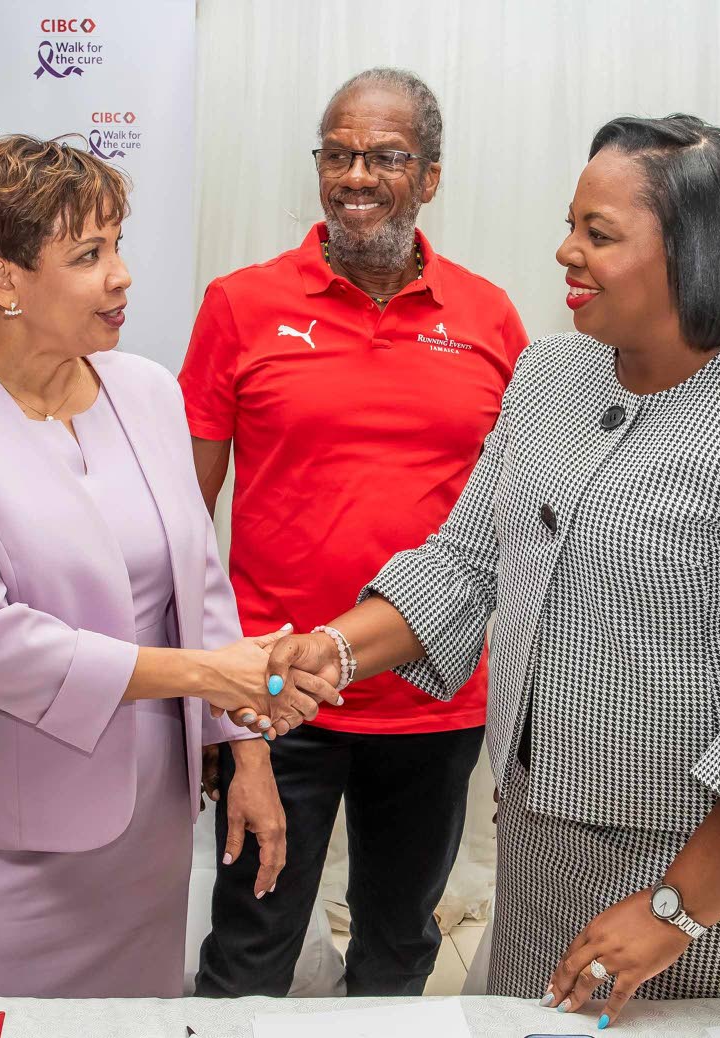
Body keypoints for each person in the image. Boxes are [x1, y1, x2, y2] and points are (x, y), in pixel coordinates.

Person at [261, 114, 720, 1027]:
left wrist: (675, 911)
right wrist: (333, 652)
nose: (565, 252)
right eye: (570, 224)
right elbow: (465, 563)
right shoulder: (553, 377)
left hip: (703, 874)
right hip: (539, 842)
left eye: (599, 234)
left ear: (696, 254)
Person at [0, 135, 336, 998]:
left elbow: (198, 581)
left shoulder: (147, 390)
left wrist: (248, 755)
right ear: (4, 281)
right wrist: (210, 672)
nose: (121, 274)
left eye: (118, 244)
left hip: (143, 841)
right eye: (89, 254)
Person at [181, 68, 529, 997]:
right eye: (337, 154)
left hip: (432, 692)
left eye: (384, 156)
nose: (355, 176)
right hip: (274, 692)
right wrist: (219, 701)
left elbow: (519, 521)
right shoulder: (240, 306)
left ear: (431, 176)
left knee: (399, 945)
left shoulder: (491, 317)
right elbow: (182, 521)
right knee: (250, 946)